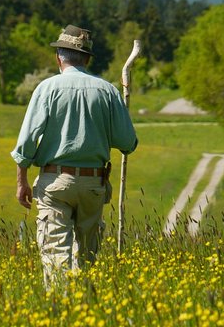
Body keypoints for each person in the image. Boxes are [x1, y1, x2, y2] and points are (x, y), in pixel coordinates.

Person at [12, 24, 137, 287]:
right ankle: (85, 309)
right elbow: (127, 143)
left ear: (59, 56)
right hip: (94, 183)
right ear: (88, 58)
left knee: (56, 257)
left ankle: (61, 311)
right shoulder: (107, 91)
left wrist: (21, 179)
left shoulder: (47, 89)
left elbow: (27, 141)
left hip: (55, 181)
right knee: (87, 259)